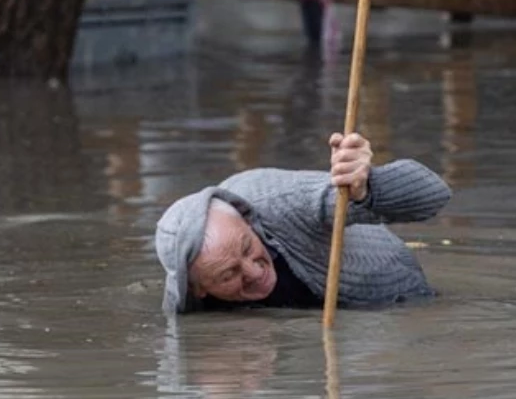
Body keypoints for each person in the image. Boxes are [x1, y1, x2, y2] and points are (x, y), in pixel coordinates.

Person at [154, 132, 451, 314]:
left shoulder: (283, 200)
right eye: (228, 274)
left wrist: (368, 187)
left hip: (394, 295)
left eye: (247, 248)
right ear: (198, 289)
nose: (254, 271)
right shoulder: (186, 297)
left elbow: (436, 196)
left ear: (246, 219)